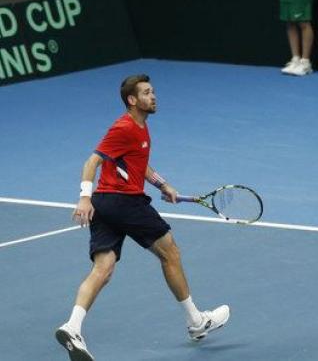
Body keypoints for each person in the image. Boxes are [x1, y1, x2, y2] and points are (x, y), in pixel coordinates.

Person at [55, 74, 229, 361]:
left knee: (104, 268)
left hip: (106, 206)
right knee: (170, 252)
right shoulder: (123, 128)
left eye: (153, 92)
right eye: (147, 93)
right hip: (124, 202)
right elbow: (92, 162)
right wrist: (83, 197)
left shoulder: (139, 129)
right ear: (132, 100)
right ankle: (196, 322)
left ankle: (72, 327)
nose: (154, 96)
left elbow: (140, 164)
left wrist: (163, 184)